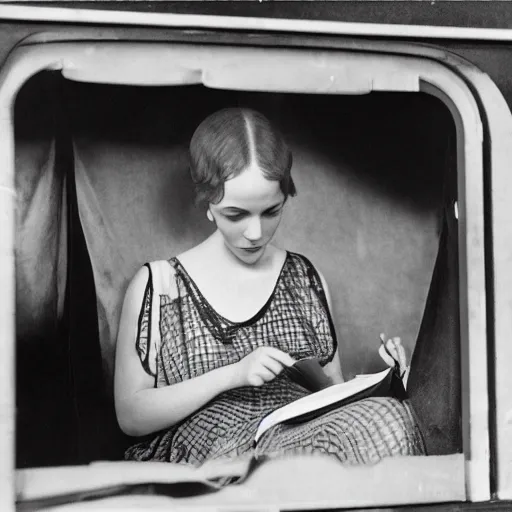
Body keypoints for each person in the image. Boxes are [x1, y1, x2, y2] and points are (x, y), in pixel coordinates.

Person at [114, 107, 425, 467]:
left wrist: (387, 382)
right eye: (236, 214)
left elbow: (332, 396)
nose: (256, 233)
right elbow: (131, 416)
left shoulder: (304, 278)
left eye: (271, 212)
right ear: (207, 203)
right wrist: (234, 374)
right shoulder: (161, 285)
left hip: (303, 444)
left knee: (391, 418)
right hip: (215, 459)